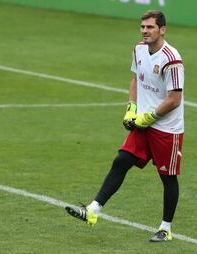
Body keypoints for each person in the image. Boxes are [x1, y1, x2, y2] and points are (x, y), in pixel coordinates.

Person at [65, 10, 184, 242]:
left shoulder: (172, 59)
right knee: (121, 161)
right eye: (142, 27)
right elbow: (135, 79)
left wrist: (149, 117)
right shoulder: (139, 49)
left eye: (150, 27)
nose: (145, 31)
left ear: (162, 30)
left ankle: (166, 228)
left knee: (167, 177)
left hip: (167, 128)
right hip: (143, 123)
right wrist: (131, 107)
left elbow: (174, 99)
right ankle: (93, 210)